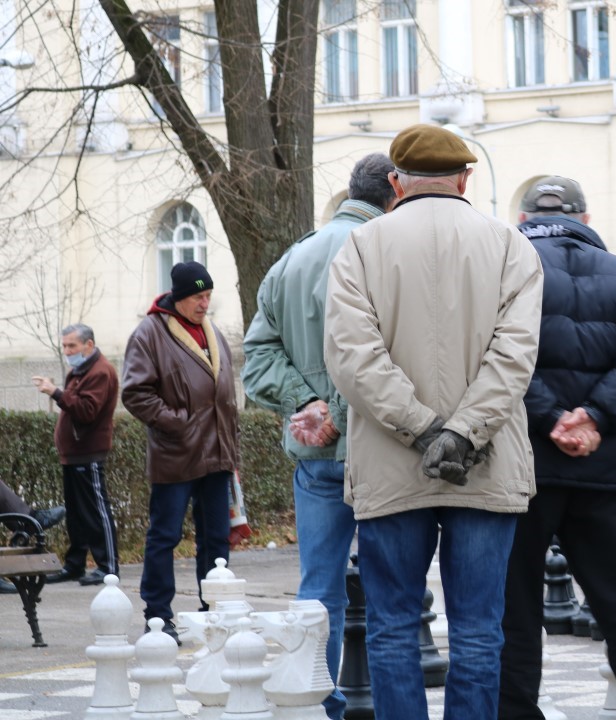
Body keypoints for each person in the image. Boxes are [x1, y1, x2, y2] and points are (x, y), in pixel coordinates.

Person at [323, 124, 543, 719]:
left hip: (391, 464)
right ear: (464, 179)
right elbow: (514, 356)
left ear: (397, 182)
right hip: (486, 462)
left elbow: (353, 357)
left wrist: (422, 429)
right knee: (478, 631)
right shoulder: (510, 246)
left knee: (392, 627)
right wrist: (462, 433)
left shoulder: (360, 247)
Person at [498, 177, 616, 719]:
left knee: (515, 611)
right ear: (585, 219)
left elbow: (495, 354)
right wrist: (596, 416)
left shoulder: (502, 273)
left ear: (524, 220)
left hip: (522, 470)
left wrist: (552, 417)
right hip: (605, 471)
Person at [242, 153, 397, 719]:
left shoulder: (294, 258)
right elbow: (393, 357)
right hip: (383, 453)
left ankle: (320, 704)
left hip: (317, 456)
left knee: (318, 593)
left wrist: (308, 404)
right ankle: (391, 706)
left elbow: (257, 357)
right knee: (393, 595)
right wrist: (337, 410)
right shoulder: (389, 252)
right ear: (395, 191)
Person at [121, 261, 239, 644]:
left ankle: (214, 610)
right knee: (165, 536)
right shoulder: (149, 333)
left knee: (216, 538)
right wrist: (178, 423)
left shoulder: (212, 331)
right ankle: (158, 615)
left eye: (209, 296)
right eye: (198, 297)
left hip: (217, 454)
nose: (205, 304)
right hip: (177, 454)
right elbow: (135, 393)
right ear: (179, 297)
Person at [32, 324, 121, 588]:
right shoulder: (81, 370)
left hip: (88, 452)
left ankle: (108, 567)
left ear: (88, 345)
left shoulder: (100, 371)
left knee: (95, 510)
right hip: (74, 453)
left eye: (72, 345)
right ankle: (75, 564)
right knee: (77, 513)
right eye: (64, 346)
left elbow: (86, 411)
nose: (67, 351)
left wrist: (55, 392)